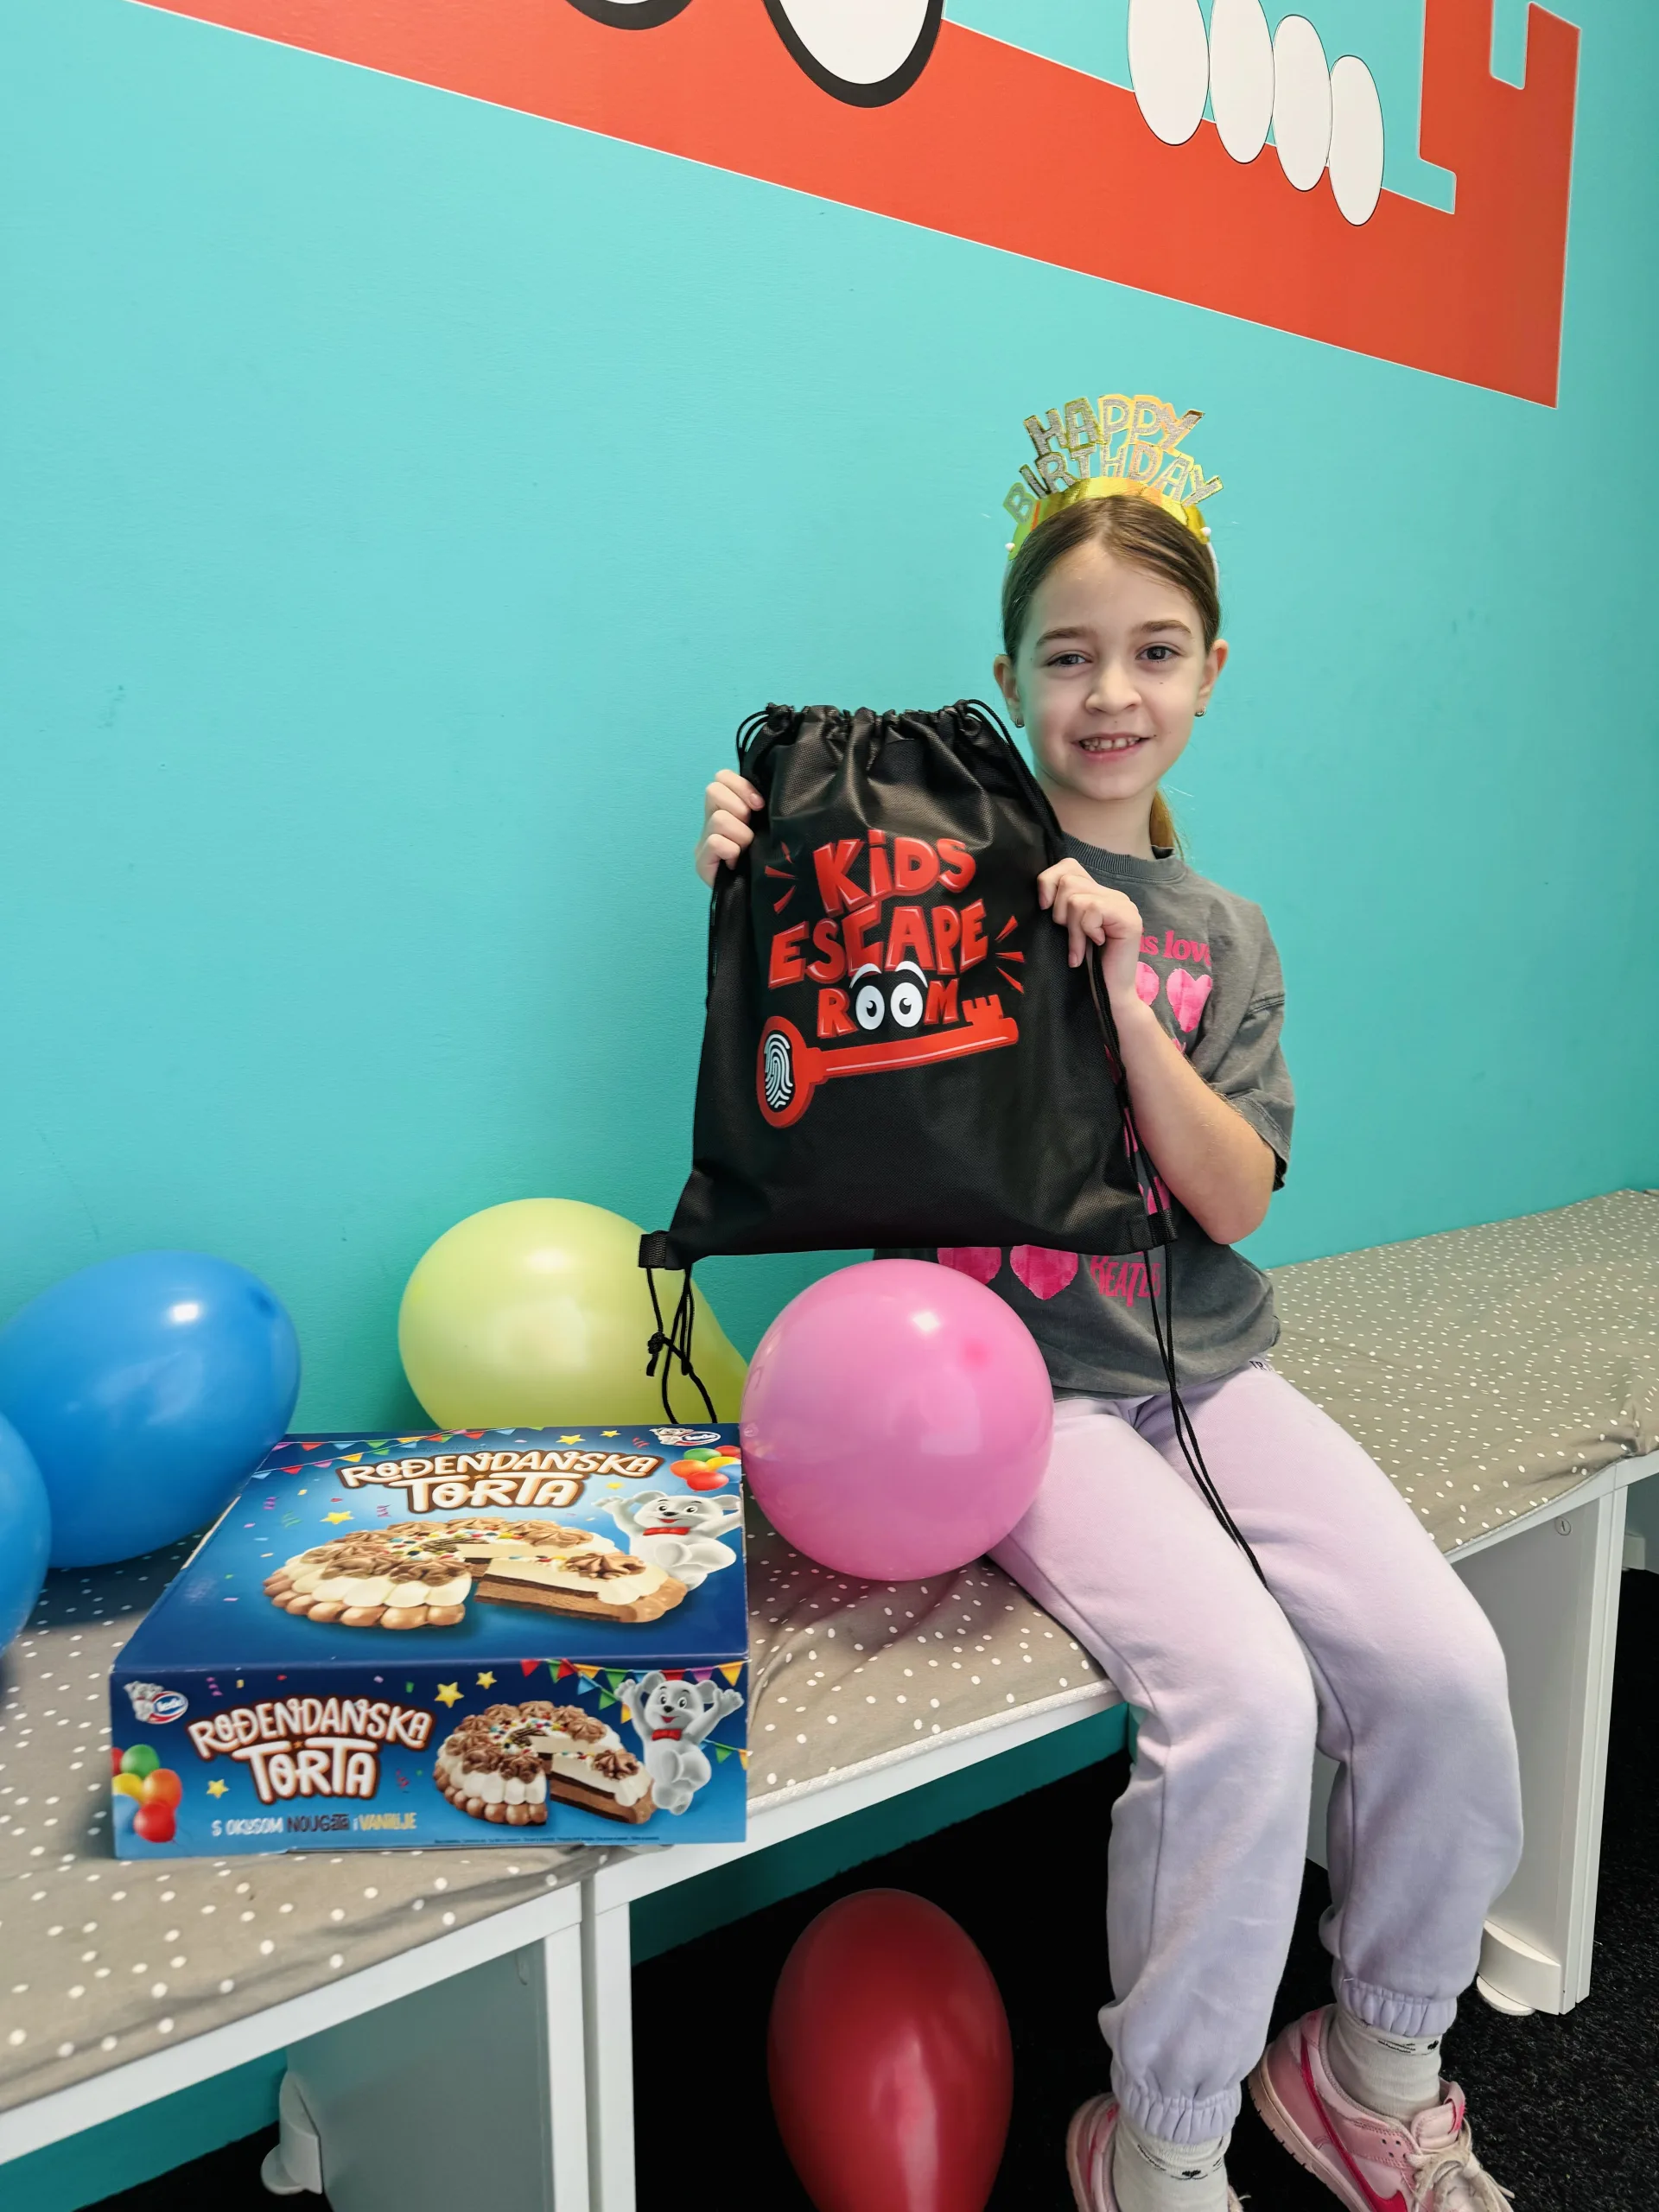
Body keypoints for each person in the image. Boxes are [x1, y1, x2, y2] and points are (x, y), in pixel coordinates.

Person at [695, 457, 1522, 2212]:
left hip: (1210, 1367)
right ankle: (1159, 2139)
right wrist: (762, 871)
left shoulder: (1233, 933)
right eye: (1067, 656)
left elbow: (1234, 1198)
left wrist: (1133, 1000)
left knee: (1445, 1667)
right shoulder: (935, 868)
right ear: (1009, 680)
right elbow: (815, 1032)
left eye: (1154, 651)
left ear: (1212, 670)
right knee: (1245, 1696)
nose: (1111, 692)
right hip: (1013, 1395)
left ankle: (1371, 2071)